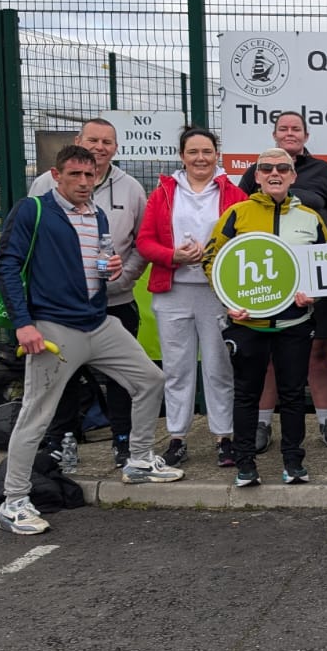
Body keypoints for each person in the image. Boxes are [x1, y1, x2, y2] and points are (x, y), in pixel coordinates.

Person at [0, 145, 183, 534]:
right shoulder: (34, 209)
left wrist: (109, 267)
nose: (83, 182)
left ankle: (140, 460)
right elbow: (7, 265)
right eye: (75, 175)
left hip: (99, 322)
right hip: (54, 329)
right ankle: (13, 501)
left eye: (89, 175)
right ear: (56, 175)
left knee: (151, 380)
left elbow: (100, 261)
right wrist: (24, 324)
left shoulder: (95, 214)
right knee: (36, 413)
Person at [206, 147, 327, 487]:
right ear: (256, 176)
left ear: (293, 176)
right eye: (266, 168)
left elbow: (325, 267)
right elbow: (212, 260)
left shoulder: (311, 218)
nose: (274, 173)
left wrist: (314, 293)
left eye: (282, 168)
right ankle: (245, 463)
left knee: (292, 395)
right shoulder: (237, 214)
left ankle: (294, 462)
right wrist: (227, 298)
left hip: (294, 323)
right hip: (248, 323)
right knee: (246, 393)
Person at [28, 117, 148, 466]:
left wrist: (124, 278)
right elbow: (30, 238)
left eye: (107, 142)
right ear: (79, 140)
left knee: (125, 376)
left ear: (116, 148)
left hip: (116, 303)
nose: (99, 147)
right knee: (61, 377)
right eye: (93, 140)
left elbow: (140, 243)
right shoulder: (43, 184)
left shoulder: (132, 188)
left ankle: (123, 441)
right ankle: (62, 440)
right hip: (61, 309)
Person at [236, 112, 327, 451]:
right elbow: (240, 218)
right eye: (283, 128)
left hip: (313, 281)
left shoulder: (325, 173)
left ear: (305, 134)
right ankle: (262, 424)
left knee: (319, 350)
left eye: (295, 128)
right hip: (266, 278)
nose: (289, 133)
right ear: (274, 134)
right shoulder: (252, 173)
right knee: (269, 353)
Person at [135, 125, 243, 469]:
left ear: (217, 155)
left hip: (215, 292)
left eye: (207, 151)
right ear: (182, 156)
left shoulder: (233, 193)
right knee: (177, 369)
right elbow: (145, 241)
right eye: (193, 152)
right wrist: (173, 256)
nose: (200, 158)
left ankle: (224, 437)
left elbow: (244, 240)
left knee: (218, 367)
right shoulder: (164, 193)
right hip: (174, 291)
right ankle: (177, 437)